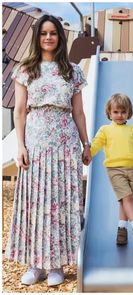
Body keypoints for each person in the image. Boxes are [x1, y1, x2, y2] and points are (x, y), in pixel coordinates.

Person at [5, 15, 92, 287]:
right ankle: (36, 263)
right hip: (36, 141)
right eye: (44, 33)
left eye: (53, 33)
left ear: (60, 37)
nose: (48, 38)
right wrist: (20, 146)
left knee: (61, 203)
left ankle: (56, 264)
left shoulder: (72, 71)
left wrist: (86, 143)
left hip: (65, 143)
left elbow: (78, 111)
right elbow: (19, 111)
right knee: (36, 201)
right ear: (37, 36)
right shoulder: (26, 69)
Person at [90, 93, 133, 245]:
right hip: (115, 169)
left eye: (123, 112)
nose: (119, 115)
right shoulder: (105, 130)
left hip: (131, 170)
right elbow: (97, 143)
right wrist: (88, 154)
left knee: (125, 201)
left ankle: (121, 230)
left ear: (129, 113)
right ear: (109, 113)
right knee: (128, 198)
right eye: (116, 112)